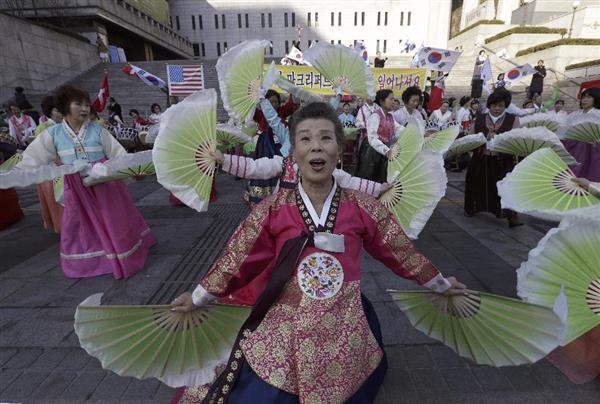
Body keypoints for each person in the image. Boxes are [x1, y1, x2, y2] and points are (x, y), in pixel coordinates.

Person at [171, 101, 466, 404]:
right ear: (294, 151)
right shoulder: (272, 210)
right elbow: (238, 258)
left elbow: (400, 252)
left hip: (344, 315)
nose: (316, 146)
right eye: (306, 139)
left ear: (339, 149)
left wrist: (441, 284)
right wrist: (198, 297)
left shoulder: (363, 208)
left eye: (326, 138)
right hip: (288, 315)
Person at [13, 85, 156, 278]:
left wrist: (134, 171)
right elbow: (32, 158)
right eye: (78, 104)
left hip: (106, 185)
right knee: (79, 224)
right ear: (65, 106)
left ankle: (120, 255)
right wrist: (15, 172)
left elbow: (119, 155)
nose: (85, 108)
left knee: (113, 219)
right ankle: (94, 261)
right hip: (76, 188)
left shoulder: (98, 131)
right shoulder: (52, 134)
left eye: (87, 104)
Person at [464, 89, 523, 227]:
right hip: (481, 158)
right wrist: (485, 136)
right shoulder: (479, 118)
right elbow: (471, 137)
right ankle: (472, 208)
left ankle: (511, 216)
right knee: (475, 184)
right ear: (489, 105)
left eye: (500, 105)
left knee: (506, 187)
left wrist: (500, 139)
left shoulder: (513, 119)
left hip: (503, 160)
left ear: (505, 105)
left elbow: (516, 138)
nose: (497, 108)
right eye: (494, 105)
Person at [247, 89, 298, 204]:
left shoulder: (282, 111)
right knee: (264, 167)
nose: (273, 105)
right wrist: (252, 96)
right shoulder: (260, 114)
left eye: (275, 102)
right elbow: (251, 111)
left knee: (282, 167)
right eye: (270, 102)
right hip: (265, 146)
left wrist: (291, 89)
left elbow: (291, 104)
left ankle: (281, 192)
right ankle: (263, 195)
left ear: (279, 103)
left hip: (281, 146)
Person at [356, 89, 404, 183]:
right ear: (382, 101)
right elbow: (372, 138)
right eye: (391, 99)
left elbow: (398, 129)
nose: (393, 102)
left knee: (381, 177)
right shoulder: (375, 116)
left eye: (394, 99)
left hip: (383, 150)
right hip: (371, 151)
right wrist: (386, 150)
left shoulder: (390, 116)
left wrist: (416, 132)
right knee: (369, 178)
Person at [33, 94, 64, 233]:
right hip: (51, 171)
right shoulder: (42, 128)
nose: (61, 112)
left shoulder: (66, 124)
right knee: (57, 201)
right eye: (57, 110)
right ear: (50, 111)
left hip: (66, 166)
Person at [562, 87, 600, 181]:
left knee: (590, 173)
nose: (584, 100)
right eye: (583, 97)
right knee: (570, 173)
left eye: (589, 97)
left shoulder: (598, 114)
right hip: (574, 147)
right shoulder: (574, 114)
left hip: (593, 149)